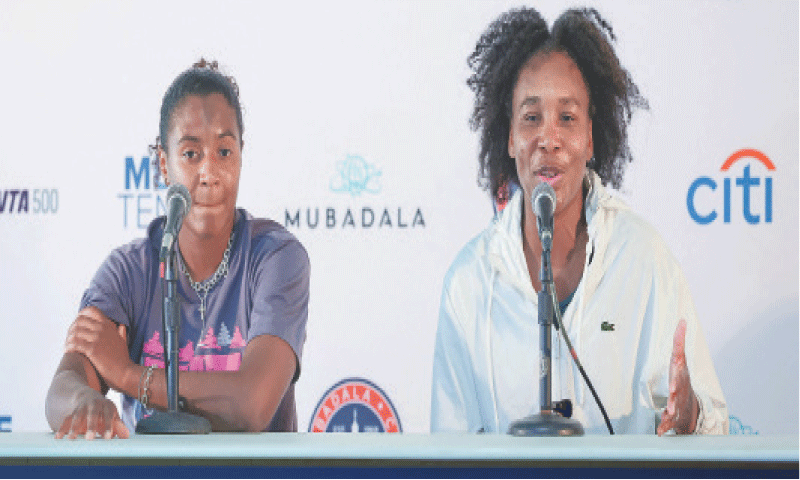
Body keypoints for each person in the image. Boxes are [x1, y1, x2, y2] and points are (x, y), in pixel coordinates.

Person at [430, 7, 727, 435]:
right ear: (510, 136)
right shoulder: (469, 282)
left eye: (567, 118)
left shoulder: (644, 259)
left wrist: (691, 418)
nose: (548, 139)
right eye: (531, 118)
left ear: (590, 136)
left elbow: (716, 426)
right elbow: (447, 452)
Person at [45, 59, 310, 439]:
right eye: (190, 154)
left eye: (224, 152)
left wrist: (126, 375)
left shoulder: (275, 257)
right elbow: (64, 386)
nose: (209, 173)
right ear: (163, 165)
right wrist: (84, 404)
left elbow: (252, 404)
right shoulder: (128, 271)